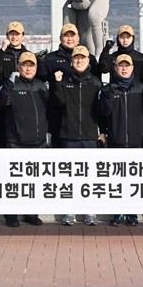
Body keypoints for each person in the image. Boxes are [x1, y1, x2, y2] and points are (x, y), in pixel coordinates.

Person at [97, 54, 143, 226]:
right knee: (116, 180)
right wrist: (103, 133)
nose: (124, 68)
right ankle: (117, 212)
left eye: (127, 66)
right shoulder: (108, 89)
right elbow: (102, 114)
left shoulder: (141, 88)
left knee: (133, 180)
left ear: (132, 68)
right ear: (115, 68)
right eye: (120, 66)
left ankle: (131, 213)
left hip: (136, 141)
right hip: (115, 141)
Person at [51, 44, 103, 226]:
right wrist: (57, 83)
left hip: (89, 136)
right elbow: (58, 103)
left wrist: (102, 132)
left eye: (82, 57)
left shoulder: (95, 82)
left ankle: (90, 212)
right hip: (70, 135)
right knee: (70, 177)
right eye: (76, 58)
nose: (79, 60)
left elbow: (101, 110)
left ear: (88, 60)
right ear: (72, 61)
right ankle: (70, 212)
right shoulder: (65, 81)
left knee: (89, 177)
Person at [0, 51, 48, 227]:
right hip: (16, 142)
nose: (28, 68)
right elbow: (2, 102)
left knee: (33, 182)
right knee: (14, 182)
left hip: (38, 142)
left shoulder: (42, 86)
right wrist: (10, 83)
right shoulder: (11, 84)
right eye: (24, 65)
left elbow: (47, 111)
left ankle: (30, 213)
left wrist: (46, 133)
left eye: (31, 65)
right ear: (18, 66)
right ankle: (11, 214)